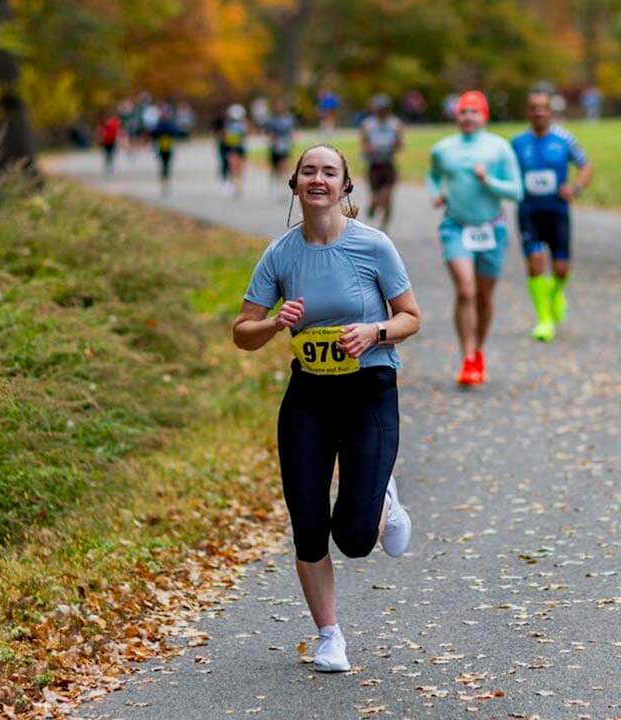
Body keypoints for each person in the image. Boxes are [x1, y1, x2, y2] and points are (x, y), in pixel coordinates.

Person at [232, 144, 421, 673]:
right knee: (308, 521)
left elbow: (410, 316)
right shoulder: (280, 254)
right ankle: (329, 636)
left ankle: (381, 495)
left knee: (356, 539)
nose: (318, 179)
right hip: (309, 395)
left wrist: (375, 330)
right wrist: (271, 324)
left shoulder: (373, 246)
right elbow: (241, 331)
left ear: (345, 187)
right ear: (294, 184)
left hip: (369, 390)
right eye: (308, 171)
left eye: (329, 172)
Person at [426, 90, 522, 386]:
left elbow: (516, 191)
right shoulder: (443, 149)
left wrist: (488, 181)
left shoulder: (499, 148)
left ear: (484, 116)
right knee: (465, 291)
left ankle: (478, 350)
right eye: (463, 112)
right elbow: (432, 176)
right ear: (456, 116)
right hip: (455, 227)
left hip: (491, 229)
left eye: (474, 112)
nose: (468, 117)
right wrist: (436, 194)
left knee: (484, 297)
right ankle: (467, 357)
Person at [511, 83, 593, 342]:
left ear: (551, 111)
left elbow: (586, 165)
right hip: (529, 213)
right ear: (527, 112)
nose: (539, 113)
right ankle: (544, 320)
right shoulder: (517, 143)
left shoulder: (564, 140)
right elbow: (504, 173)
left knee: (561, 269)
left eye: (544, 108)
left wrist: (576, 187)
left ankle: (556, 293)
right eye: (534, 109)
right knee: (535, 264)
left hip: (557, 212)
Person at [359, 94, 404, 231]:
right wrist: (368, 148)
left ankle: (384, 227)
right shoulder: (368, 124)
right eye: (379, 108)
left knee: (388, 197)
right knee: (376, 196)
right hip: (374, 165)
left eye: (384, 108)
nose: (382, 111)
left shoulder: (395, 124)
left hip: (388, 164)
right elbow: (363, 144)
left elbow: (400, 144)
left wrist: (396, 144)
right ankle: (373, 205)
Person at [150, 103, 185, 197]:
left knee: (165, 166)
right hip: (163, 148)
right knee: (165, 166)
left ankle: (165, 183)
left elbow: (153, 135)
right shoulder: (166, 124)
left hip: (166, 148)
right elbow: (177, 133)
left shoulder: (160, 125)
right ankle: (165, 183)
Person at [265, 99, 297, 197]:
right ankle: (274, 187)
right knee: (275, 168)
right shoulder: (271, 120)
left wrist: (292, 140)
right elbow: (268, 133)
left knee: (284, 166)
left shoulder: (289, 119)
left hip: (285, 146)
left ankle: (283, 188)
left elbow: (292, 132)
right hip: (275, 147)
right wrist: (272, 140)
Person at [222, 104, 249, 198]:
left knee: (239, 169)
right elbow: (226, 138)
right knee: (233, 168)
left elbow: (244, 135)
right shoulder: (228, 125)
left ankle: (239, 187)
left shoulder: (242, 124)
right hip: (232, 148)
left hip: (239, 148)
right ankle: (234, 187)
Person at [98, 111, 120, 177]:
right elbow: (117, 131)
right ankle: (109, 167)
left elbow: (101, 132)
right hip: (110, 141)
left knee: (108, 154)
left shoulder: (106, 124)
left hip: (108, 141)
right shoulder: (113, 123)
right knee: (109, 154)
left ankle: (108, 167)